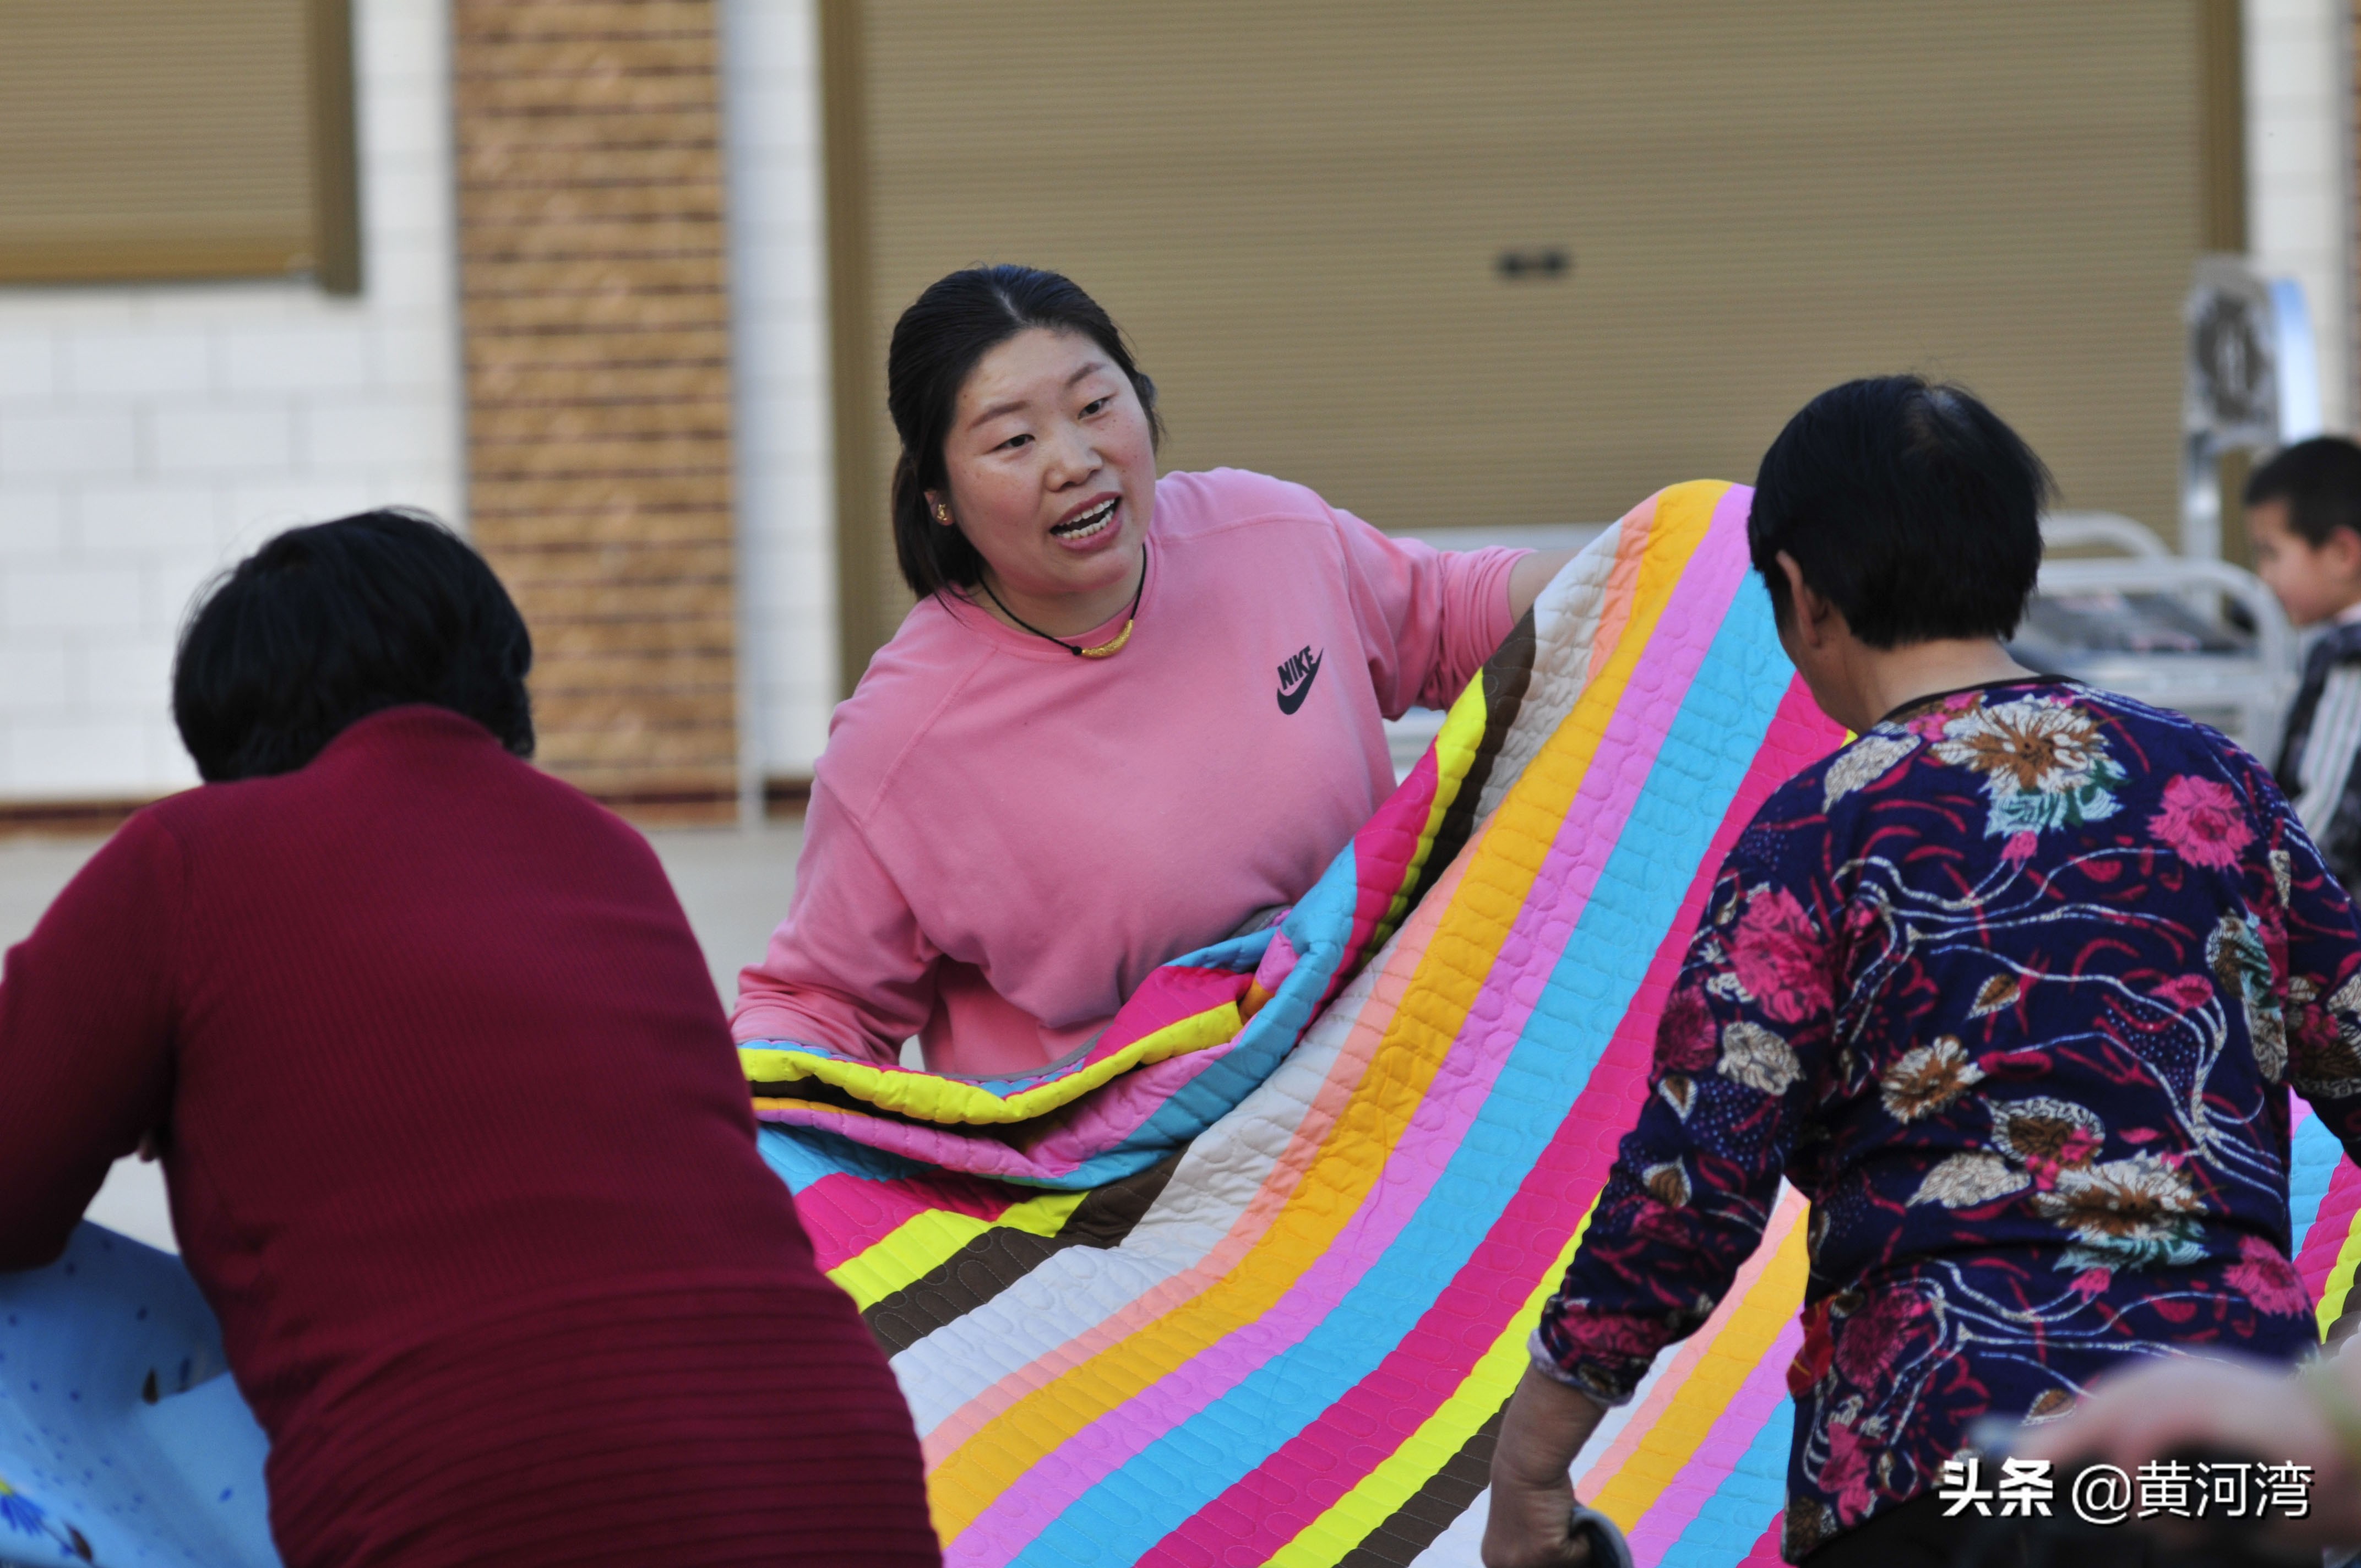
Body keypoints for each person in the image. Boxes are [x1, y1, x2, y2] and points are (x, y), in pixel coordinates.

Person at [1480, 377, 2361, 1567]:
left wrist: (1530, 1465)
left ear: (1800, 592)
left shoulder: (1813, 834)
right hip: (2227, 1475)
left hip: (1950, 1480)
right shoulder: (2214, 787)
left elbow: (1689, 1184)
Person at [0, 513, 940, 1567]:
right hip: (834, 1470)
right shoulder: (607, 851)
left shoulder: (185, 860)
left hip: (476, 1497)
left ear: (231, 729)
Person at [732, 265, 1573, 1076]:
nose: (1073, 460)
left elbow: (1461, 616)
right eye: (1014, 440)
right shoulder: (900, 737)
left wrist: (1667, 549)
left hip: (1382, 1074)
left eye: (1096, 405)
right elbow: (818, 1006)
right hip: (1106, 1185)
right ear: (939, 496)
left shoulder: (1269, 532)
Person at [2249, 435, 2361, 895]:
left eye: (2271, 552)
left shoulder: (2351, 660)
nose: (2264, 575)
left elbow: (2324, 819)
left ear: (2341, 554)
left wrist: (2250, 887)